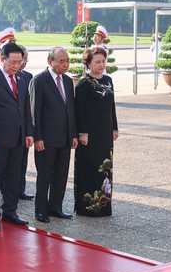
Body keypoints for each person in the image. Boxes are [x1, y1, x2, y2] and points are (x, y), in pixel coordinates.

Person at [0, 43, 34, 232]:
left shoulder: (21, 78)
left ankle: (10, 211)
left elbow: (25, 107)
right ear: (2, 59)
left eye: (20, 62)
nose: (16, 66)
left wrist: (28, 132)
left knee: (14, 176)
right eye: (13, 62)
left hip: (18, 137)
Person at [29, 47, 77, 224]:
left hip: (64, 137)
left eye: (67, 61)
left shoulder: (67, 81)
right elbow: (35, 112)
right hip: (46, 139)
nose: (65, 64)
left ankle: (55, 207)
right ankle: (41, 210)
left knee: (61, 175)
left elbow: (70, 109)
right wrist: (37, 137)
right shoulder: (39, 81)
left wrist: (73, 134)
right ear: (50, 62)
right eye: (61, 61)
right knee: (45, 176)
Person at [74, 47, 118, 217]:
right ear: (88, 63)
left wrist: (115, 127)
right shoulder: (84, 83)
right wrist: (82, 132)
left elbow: (111, 107)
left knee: (105, 168)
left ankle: (104, 206)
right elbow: (80, 110)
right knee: (90, 167)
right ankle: (87, 207)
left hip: (105, 133)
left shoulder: (108, 80)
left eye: (103, 61)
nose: (101, 65)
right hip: (89, 134)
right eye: (97, 62)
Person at [17, 45, 34, 201]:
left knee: (23, 162)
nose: (24, 62)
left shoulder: (29, 77)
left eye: (26, 59)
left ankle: (20, 189)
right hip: (10, 129)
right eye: (23, 58)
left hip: (25, 128)